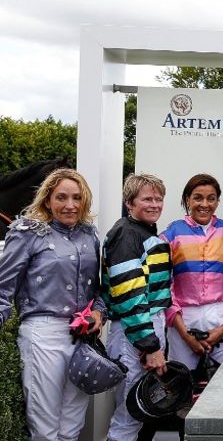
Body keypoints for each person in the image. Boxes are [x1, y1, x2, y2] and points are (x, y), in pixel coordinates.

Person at [0, 168, 105, 440]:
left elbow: (101, 288)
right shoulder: (27, 232)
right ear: (47, 199)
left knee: (72, 425)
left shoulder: (89, 235)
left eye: (76, 198)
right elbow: (3, 288)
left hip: (82, 338)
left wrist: (99, 312)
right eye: (61, 197)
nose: (69, 205)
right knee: (45, 427)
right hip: (42, 334)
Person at [102, 173, 172, 441]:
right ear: (130, 203)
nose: (154, 204)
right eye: (147, 199)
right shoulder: (125, 233)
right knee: (130, 413)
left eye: (158, 199)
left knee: (140, 413)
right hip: (134, 332)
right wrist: (150, 345)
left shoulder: (142, 232)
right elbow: (129, 296)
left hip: (146, 327)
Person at [160, 174, 223, 372]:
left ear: (218, 201)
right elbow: (164, 287)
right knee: (182, 384)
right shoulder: (170, 236)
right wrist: (185, 335)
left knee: (222, 385)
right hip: (182, 319)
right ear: (187, 200)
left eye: (211, 198)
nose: (205, 204)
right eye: (198, 197)